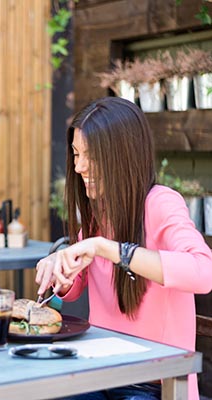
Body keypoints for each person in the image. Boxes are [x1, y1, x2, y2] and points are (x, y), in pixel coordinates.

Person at [35, 96, 212, 400]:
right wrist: (60, 274)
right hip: (101, 371)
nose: (78, 167)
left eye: (89, 155)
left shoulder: (160, 202)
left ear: (121, 155)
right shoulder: (98, 213)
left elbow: (203, 272)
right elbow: (74, 287)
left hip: (155, 383)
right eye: (76, 154)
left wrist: (111, 249)